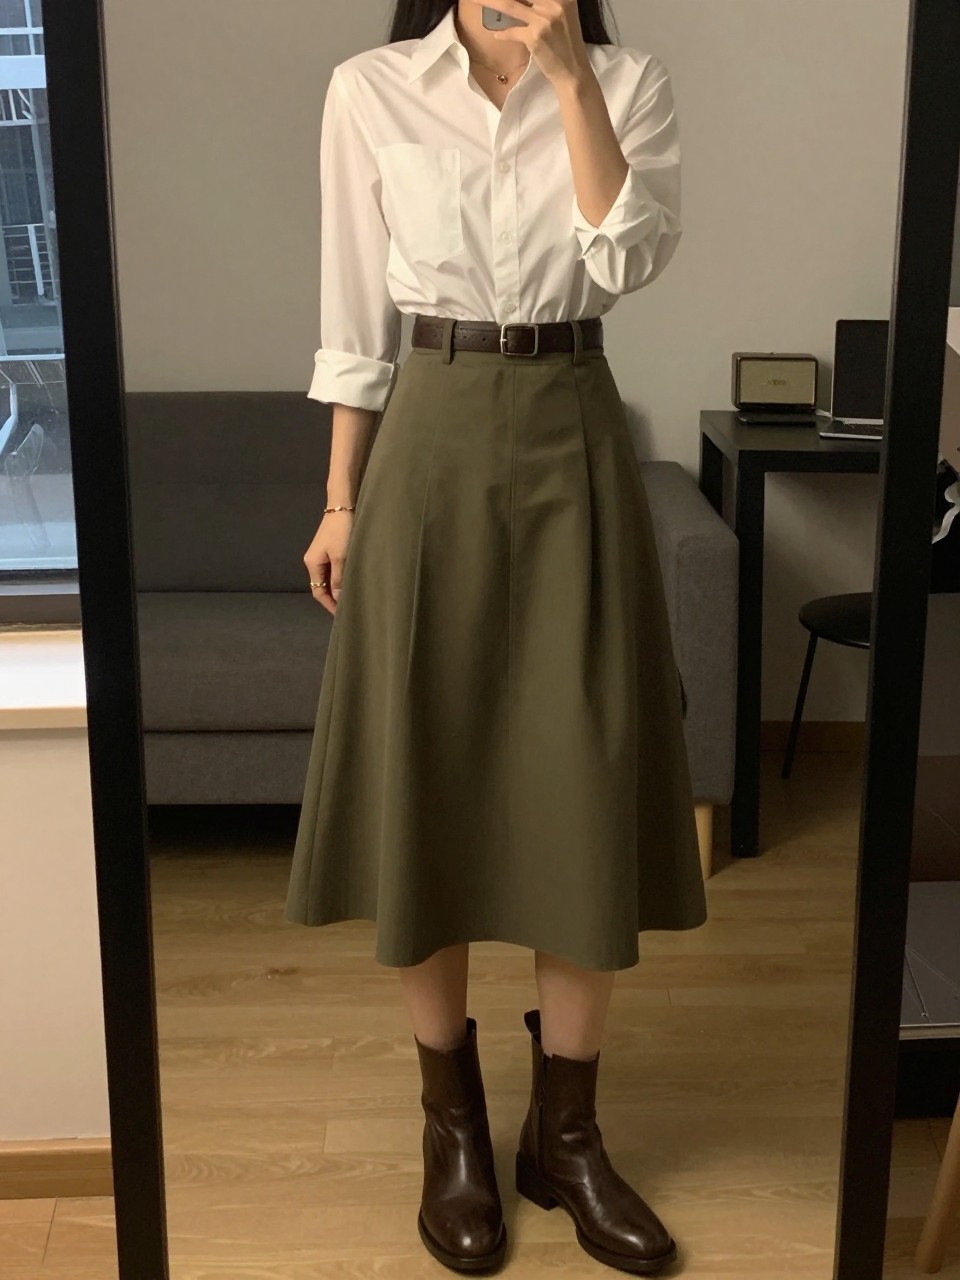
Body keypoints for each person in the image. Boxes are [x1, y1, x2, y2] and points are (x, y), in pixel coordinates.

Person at [284, 1, 708, 1272]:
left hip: (574, 422)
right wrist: (340, 499)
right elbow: (353, 319)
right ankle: (453, 1125)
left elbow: (625, 260)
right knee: (433, 768)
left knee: (582, 771)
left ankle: (565, 1138)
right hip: (430, 432)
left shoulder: (630, 84)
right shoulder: (369, 88)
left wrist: (573, 85)